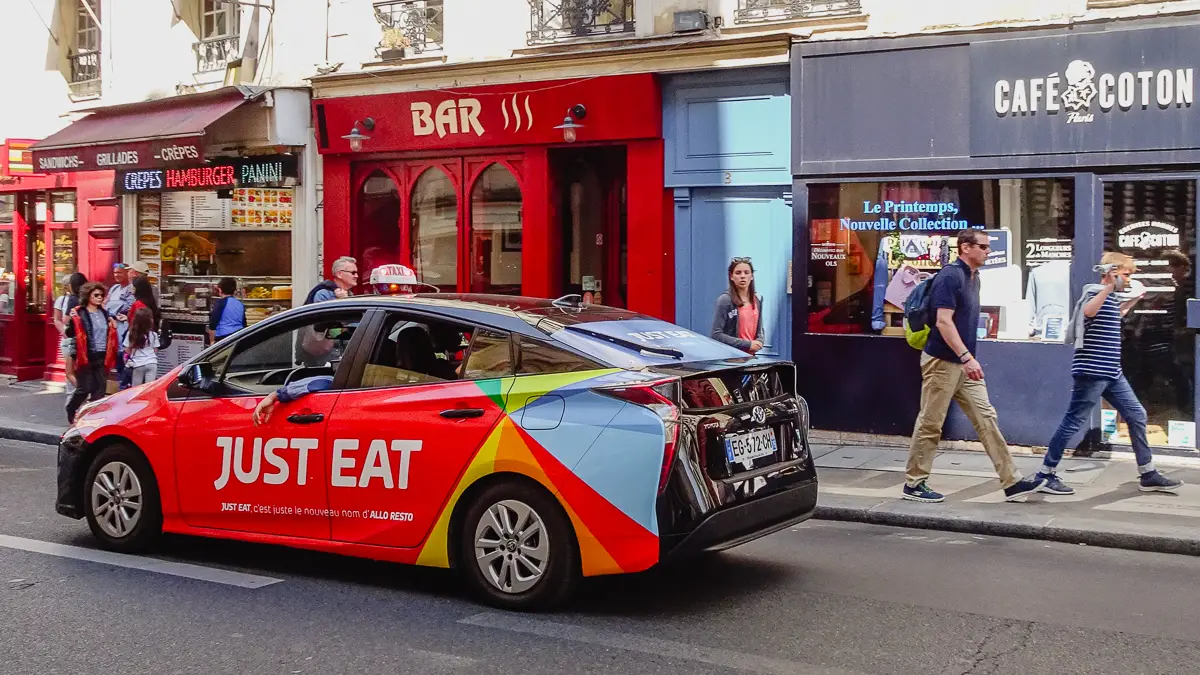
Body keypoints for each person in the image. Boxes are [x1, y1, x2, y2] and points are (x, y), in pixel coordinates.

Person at [903, 229, 1046, 503]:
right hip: (942, 362)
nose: (988, 251)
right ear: (965, 248)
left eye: (988, 247)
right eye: (983, 247)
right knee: (931, 423)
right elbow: (944, 322)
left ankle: (1012, 481)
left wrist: (967, 360)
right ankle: (914, 483)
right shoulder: (950, 276)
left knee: (986, 420)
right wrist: (967, 357)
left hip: (963, 364)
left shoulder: (973, 277)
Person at [1038, 253, 1183, 494]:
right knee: (1073, 421)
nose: (1128, 280)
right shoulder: (1095, 292)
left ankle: (1147, 473)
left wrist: (1132, 300)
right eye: (1126, 275)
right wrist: (1109, 288)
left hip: (1112, 372)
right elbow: (1088, 312)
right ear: (1111, 272)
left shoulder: (1108, 298)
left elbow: (1112, 317)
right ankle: (1045, 474)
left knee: (1137, 414)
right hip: (1093, 370)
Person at [65, 282, 118, 424]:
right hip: (85, 355)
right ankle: (72, 408)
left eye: (102, 295)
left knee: (100, 390)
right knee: (84, 388)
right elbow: (69, 333)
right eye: (96, 295)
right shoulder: (80, 312)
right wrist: (72, 320)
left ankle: (92, 418)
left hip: (102, 355)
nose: (100, 298)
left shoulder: (104, 313)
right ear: (88, 296)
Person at [710, 256, 765, 354]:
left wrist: (759, 342)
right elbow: (716, 334)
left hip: (751, 357)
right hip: (731, 358)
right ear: (731, 276)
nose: (742, 276)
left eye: (746, 272)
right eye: (738, 273)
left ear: (752, 276)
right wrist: (747, 344)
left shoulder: (757, 299)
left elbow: (760, 329)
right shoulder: (725, 300)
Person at [54, 273, 87, 395]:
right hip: (72, 338)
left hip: (74, 339)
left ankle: (78, 393)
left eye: (66, 285)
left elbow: (66, 320)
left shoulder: (74, 299)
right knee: (74, 370)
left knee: (71, 371)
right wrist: (64, 333)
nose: (64, 287)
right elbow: (57, 319)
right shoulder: (62, 300)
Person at [104, 263, 133, 384]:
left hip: (124, 329)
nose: (116, 275)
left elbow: (128, 306)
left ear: (127, 273)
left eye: (119, 273)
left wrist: (112, 307)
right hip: (112, 329)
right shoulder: (114, 288)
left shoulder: (131, 288)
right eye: (115, 272)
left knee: (123, 358)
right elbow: (105, 304)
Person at [124, 307, 159, 387]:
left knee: (136, 388)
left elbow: (127, 350)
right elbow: (155, 350)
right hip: (152, 362)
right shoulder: (153, 335)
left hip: (138, 364)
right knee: (149, 388)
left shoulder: (131, 334)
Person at [207, 277, 246, 344]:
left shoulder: (220, 303)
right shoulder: (240, 304)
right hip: (239, 335)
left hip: (224, 338)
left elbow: (213, 323)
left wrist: (212, 341)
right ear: (234, 291)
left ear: (220, 290)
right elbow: (244, 323)